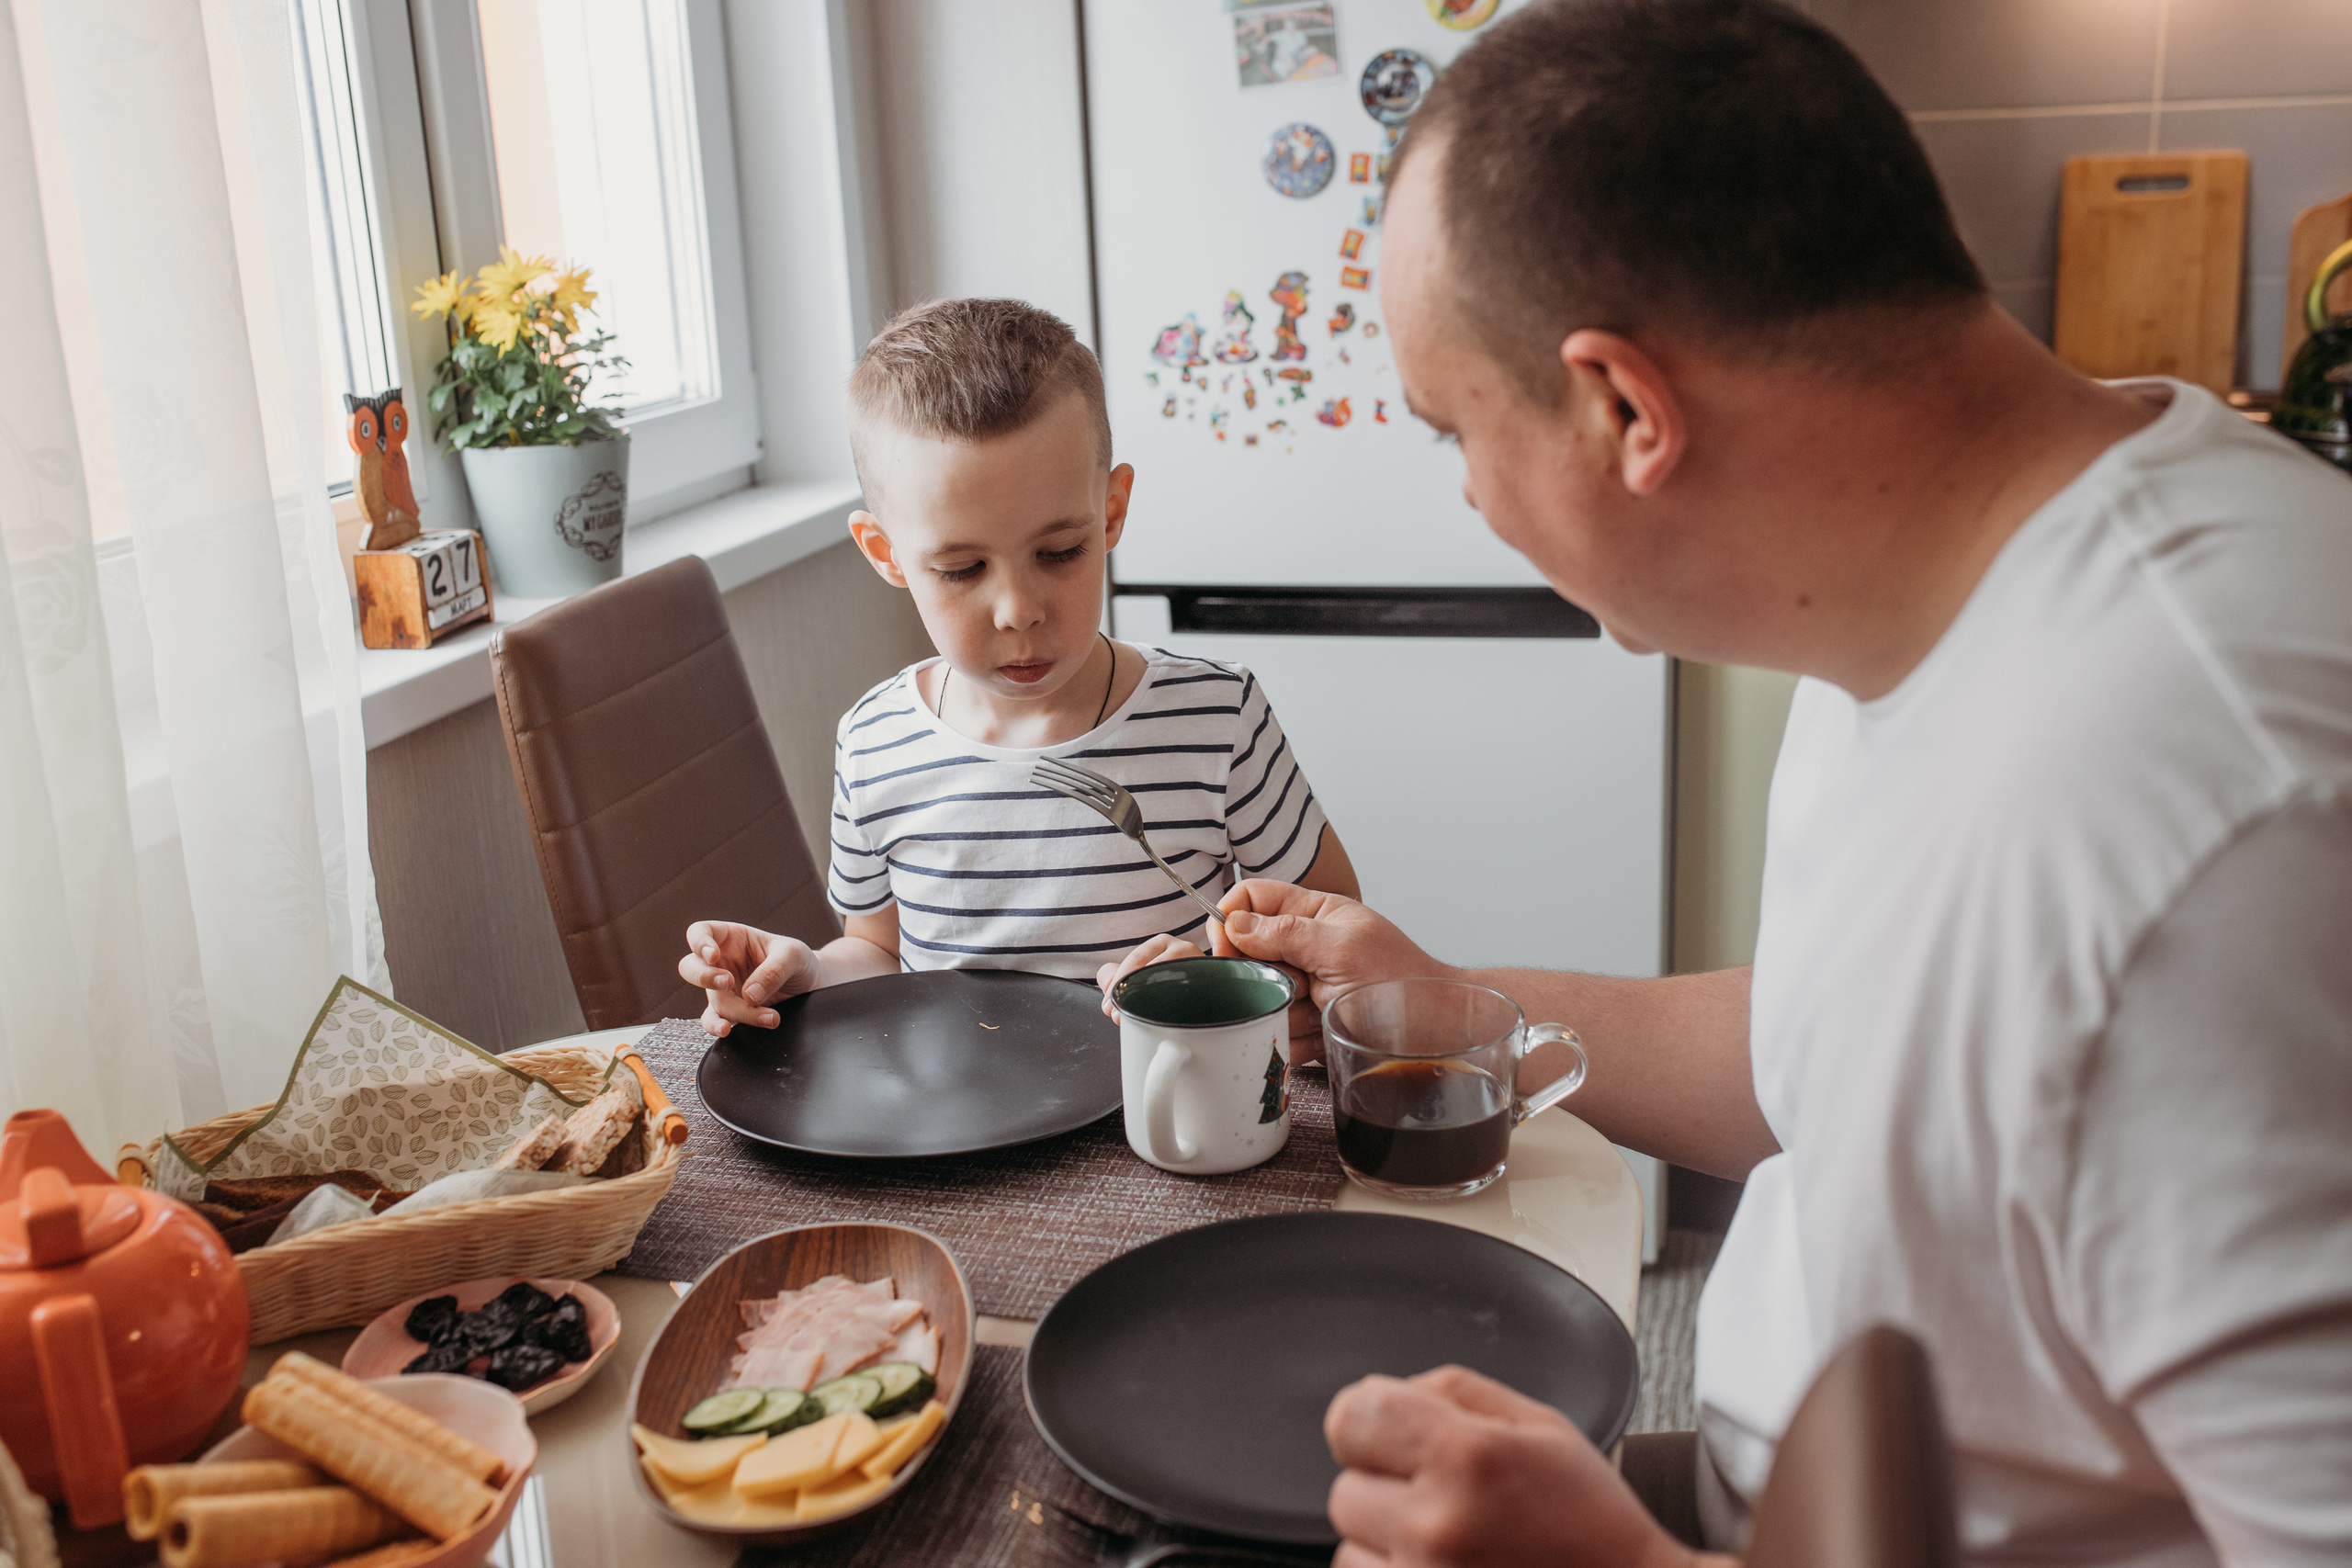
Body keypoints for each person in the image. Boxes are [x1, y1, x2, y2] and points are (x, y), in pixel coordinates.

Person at [1102, 2, 2352, 1563]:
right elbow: (1815, 1055)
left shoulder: (2218, 822)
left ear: (1626, 408)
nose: (1472, 495)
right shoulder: (1948, 593)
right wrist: (1437, 997)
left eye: (1453, 434)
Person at [682, 299, 1358, 1034]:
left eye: (1059, 553)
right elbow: (876, 951)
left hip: (1165, 1123)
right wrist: (806, 971)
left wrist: (1209, 974)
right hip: (955, 1137)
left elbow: (1337, 947)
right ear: (886, 554)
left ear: (1111, 511)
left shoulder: (1218, 719)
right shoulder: (872, 743)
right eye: (963, 567)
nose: (1018, 610)